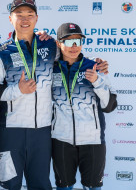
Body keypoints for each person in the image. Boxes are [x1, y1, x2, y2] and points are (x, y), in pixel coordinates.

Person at [0, 0, 109, 190]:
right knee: (10, 184)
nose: (25, 19)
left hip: (42, 131)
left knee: (40, 185)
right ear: (10, 18)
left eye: (30, 15)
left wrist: (96, 63)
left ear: (37, 18)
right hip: (10, 130)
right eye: (19, 15)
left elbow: (73, 57)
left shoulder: (50, 46)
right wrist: (17, 91)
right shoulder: (0, 52)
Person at [51, 23, 117, 190]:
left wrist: (97, 82)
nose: (74, 47)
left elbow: (109, 106)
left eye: (78, 41)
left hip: (93, 142)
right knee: (64, 187)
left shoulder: (95, 67)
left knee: (93, 187)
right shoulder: (51, 69)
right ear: (59, 43)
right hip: (61, 140)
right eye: (68, 42)